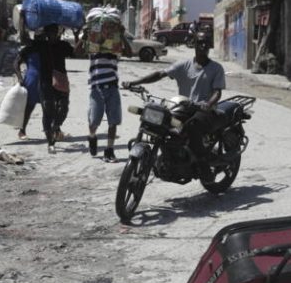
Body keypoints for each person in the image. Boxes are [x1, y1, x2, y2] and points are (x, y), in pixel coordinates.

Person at [121, 31, 224, 178]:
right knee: (164, 122)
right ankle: (170, 157)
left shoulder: (216, 68)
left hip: (205, 110)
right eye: (199, 42)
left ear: (210, 46)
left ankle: (204, 166)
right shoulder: (184, 64)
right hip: (184, 106)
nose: (202, 45)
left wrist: (208, 104)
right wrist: (134, 82)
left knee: (193, 127)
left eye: (206, 43)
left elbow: (217, 92)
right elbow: (160, 74)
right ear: (193, 44)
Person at [16, 24, 74, 153]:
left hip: (61, 81)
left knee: (63, 108)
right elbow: (25, 40)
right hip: (45, 82)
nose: (53, 35)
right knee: (48, 111)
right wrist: (22, 21)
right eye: (50, 32)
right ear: (46, 34)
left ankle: (55, 127)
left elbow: (77, 53)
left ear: (59, 33)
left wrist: (81, 34)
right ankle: (50, 143)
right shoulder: (40, 45)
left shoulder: (63, 45)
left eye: (55, 32)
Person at [80, 34, 131, 162]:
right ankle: (92, 136)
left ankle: (109, 150)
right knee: (94, 121)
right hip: (97, 88)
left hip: (113, 88)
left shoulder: (114, 50)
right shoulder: (93, 48)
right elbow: (77, 52)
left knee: (113, 121)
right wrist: (84, 36)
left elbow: (130, 53)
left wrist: (122, 35)